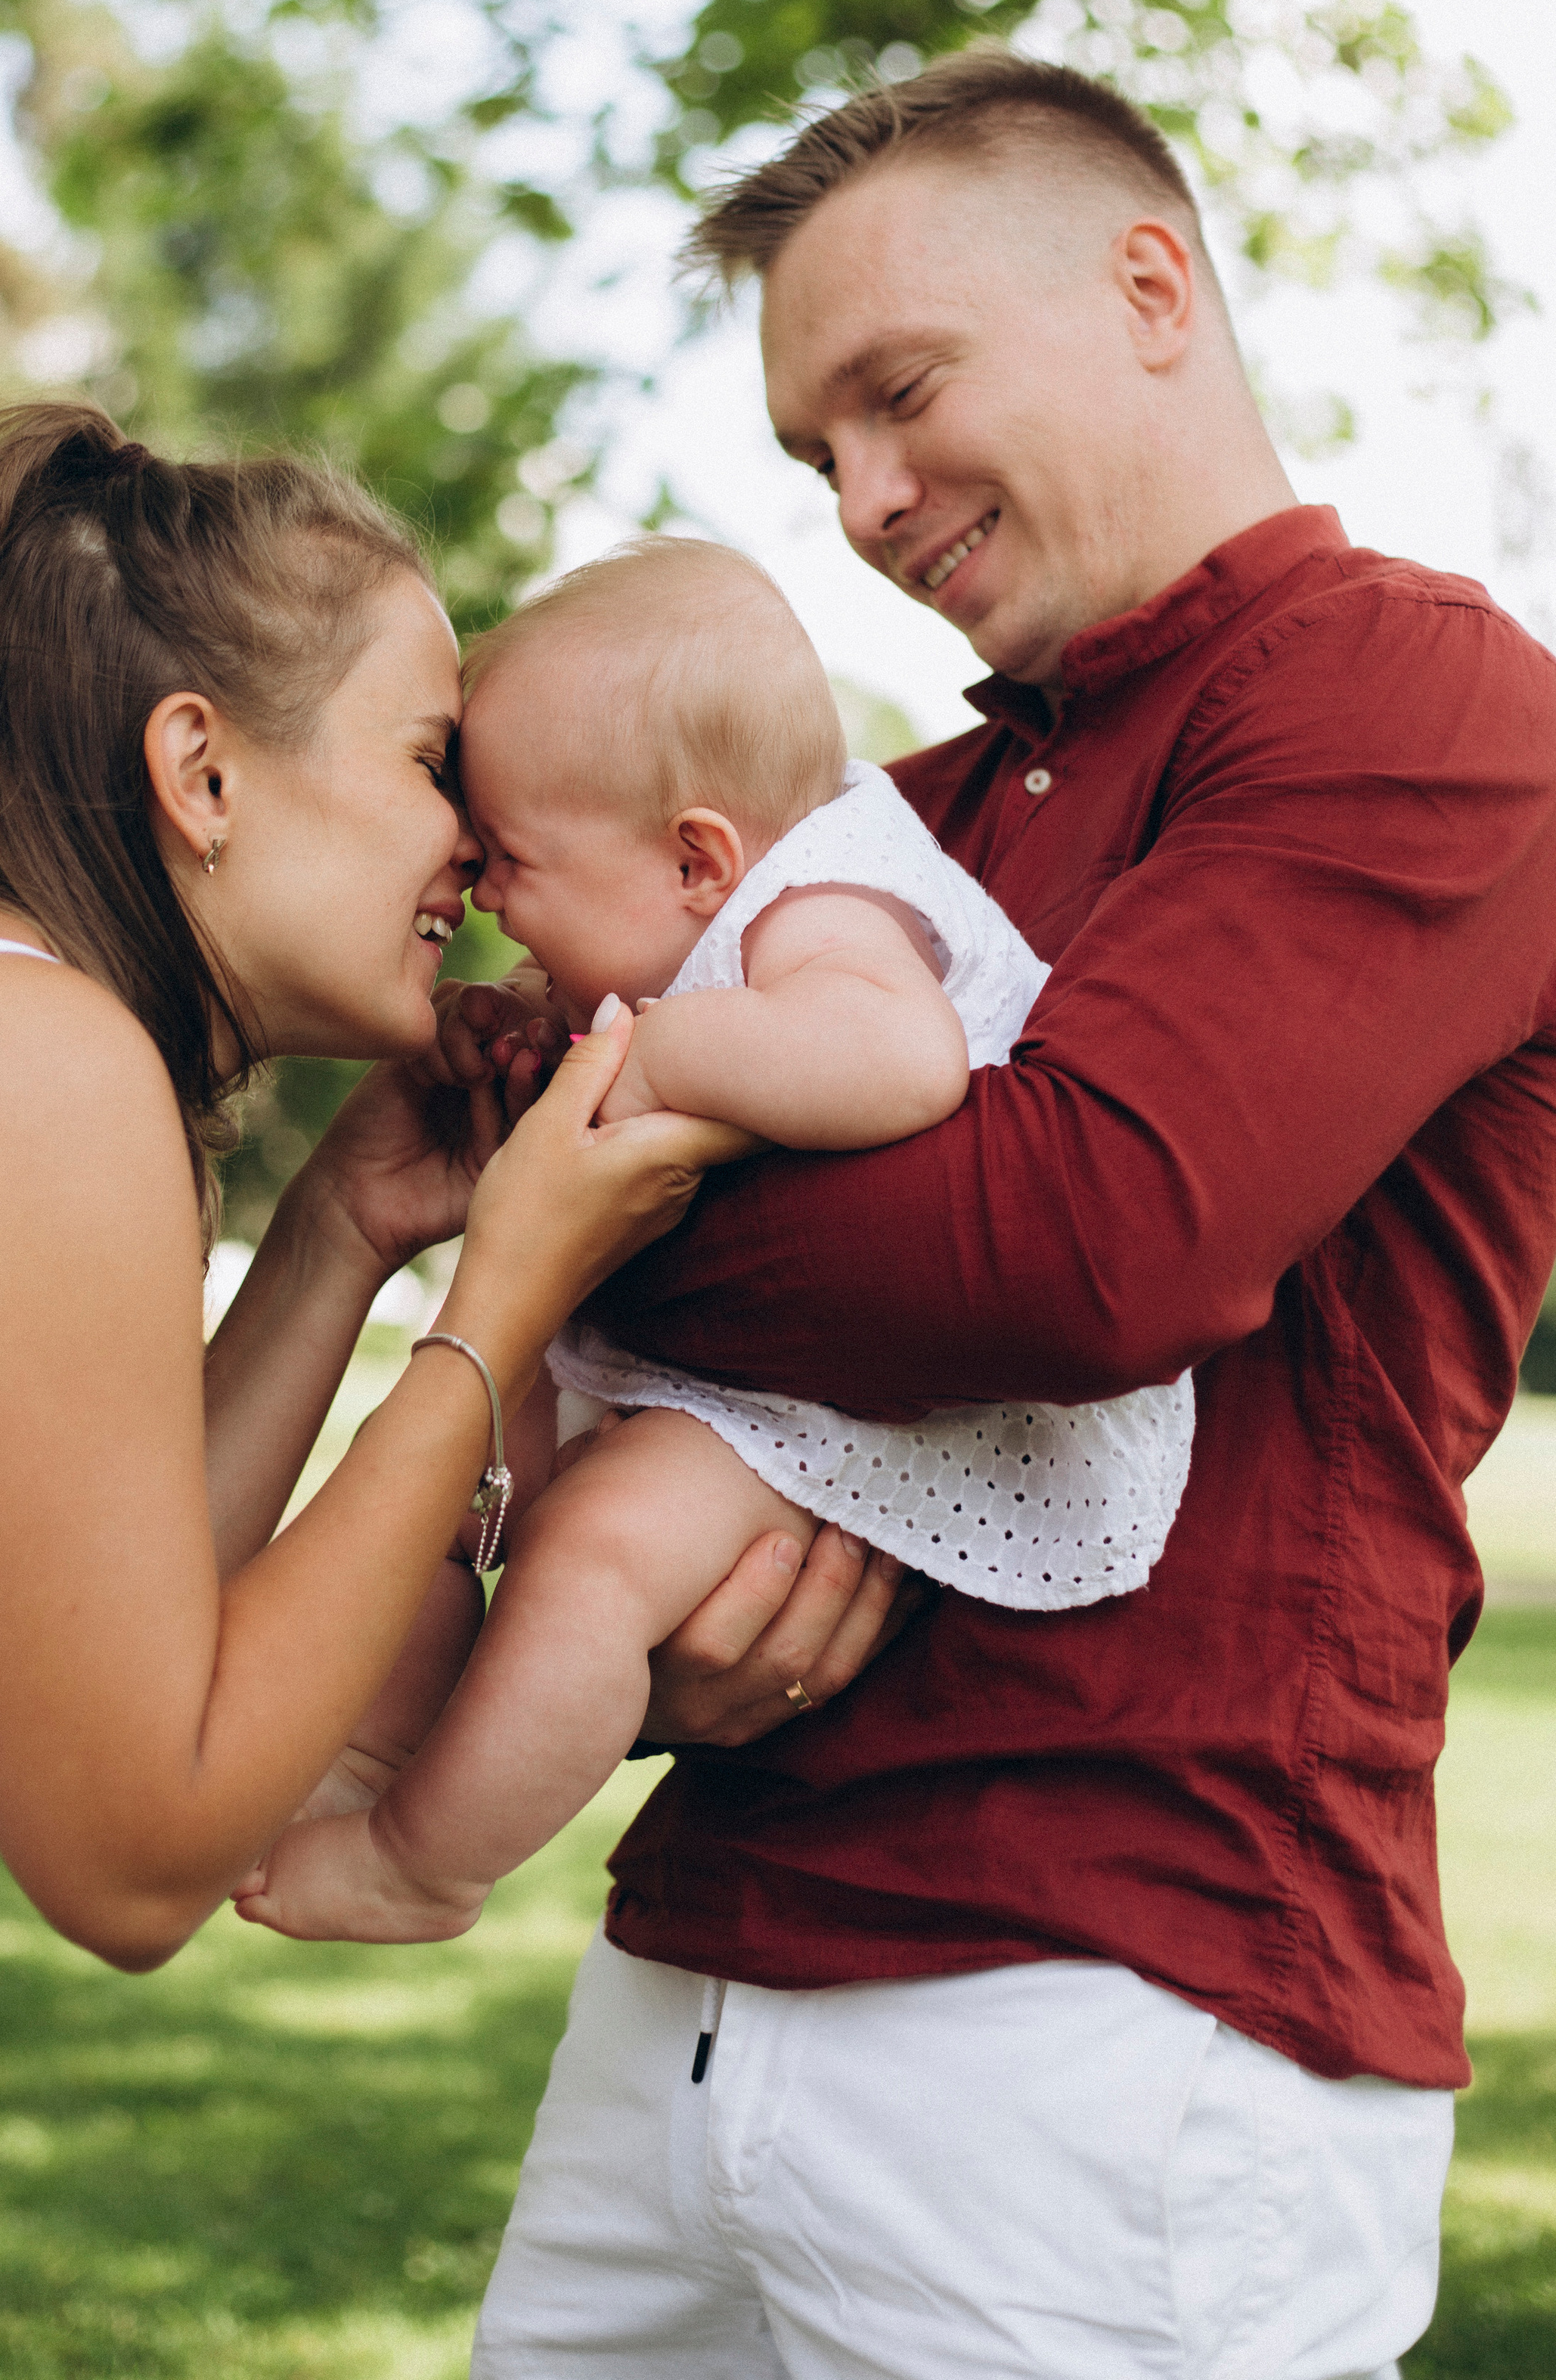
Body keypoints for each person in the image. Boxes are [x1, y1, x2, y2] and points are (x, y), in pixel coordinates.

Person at [456, 53, 1556, 2380]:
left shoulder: (1418, 700)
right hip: (698, 1972)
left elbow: (1079, 1253)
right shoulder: (903, 814)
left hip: (1113, 2009)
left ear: (1154, 288)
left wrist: (547, 1217)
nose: (861, 499)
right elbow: (522, 1107)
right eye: (809, 453)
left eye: (901, 390)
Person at [0, 402, 748, 1992]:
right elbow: (135, 1854)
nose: (480, 852)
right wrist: (497, 1307)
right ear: (202, 771)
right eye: (435, 763)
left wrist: (339, 1236)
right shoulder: (39, 1067)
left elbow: (128, 1654)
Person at [243, 536, 1193, 1946]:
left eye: (512, 861)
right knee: (449, 1487)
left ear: (699, 858)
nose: (486, 896)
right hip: (728, 1365)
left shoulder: (829, 909)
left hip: (868, 1409)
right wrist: (532, 1043)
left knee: (588, 1553)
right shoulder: (683, 921)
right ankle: (371, 1760)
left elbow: (901, 1065)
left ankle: (427, 1863)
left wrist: (639, 1058)